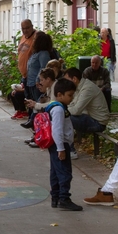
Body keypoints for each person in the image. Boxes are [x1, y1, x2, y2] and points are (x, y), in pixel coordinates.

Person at [42, 78, 82, 211]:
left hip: (57, 144)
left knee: (55, 171)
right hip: (60, 144)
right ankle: (64, 198)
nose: (72, 98)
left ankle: (55, 197)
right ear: (59, 95)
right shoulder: (59, 109)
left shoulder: (54, 106)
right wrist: (61, 148)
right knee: (65, 172)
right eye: (70, 95)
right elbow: (57, 130)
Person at [62, 67, 110, 137]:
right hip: (90, 118)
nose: (65, 83)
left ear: (74, 79)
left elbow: (76, 110)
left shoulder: (87, 88)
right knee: (62, 116)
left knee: (63, 117)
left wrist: (61, 111)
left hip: (98, 123)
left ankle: (63, 140)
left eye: (67, 81)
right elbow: (72, 105)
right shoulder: (80, 87)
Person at [25, 32, 54, 103]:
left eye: (35, 39)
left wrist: (38, 80)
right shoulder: (35, 53)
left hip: (37, 84)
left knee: (38, 102)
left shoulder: (43, 54)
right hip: (31, 83)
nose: (33, 41)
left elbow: (43, 67)